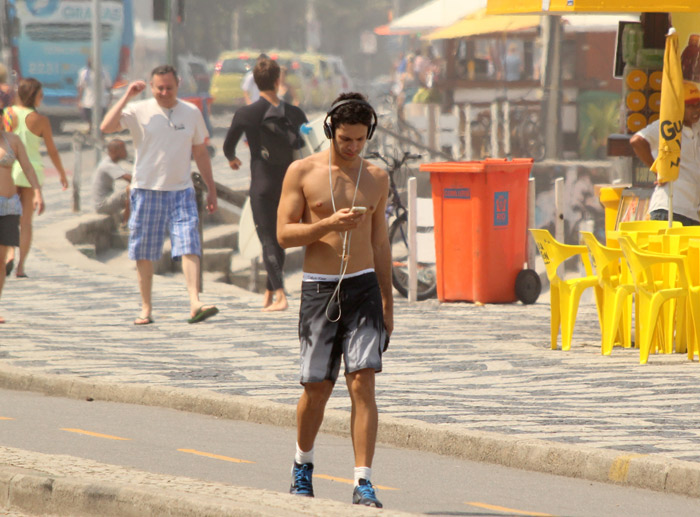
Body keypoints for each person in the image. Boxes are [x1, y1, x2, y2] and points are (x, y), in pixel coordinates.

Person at [277, 93, 393, 507]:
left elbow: (380, 243)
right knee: (316, 387)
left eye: (360, 140)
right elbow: (284, 234)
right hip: (320, 288)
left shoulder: (377, 177)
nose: (353, 147)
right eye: (346, 138)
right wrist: (327, 223)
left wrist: (387, 302)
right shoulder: (302, 171)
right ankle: (303, 465)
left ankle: (363, 481)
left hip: (363, 288)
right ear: (331, 130)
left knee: (363, 382)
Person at [100, 64, 219, 325]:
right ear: (152, 87)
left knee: (189, 244)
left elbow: (200, 152)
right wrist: (128, 95)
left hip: (182, 191)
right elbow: (106, 126)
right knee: (144, 251)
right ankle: (146, 307)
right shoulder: (138, 110)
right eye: (159, 88)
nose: (165, 92)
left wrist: (211, 189)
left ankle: (194, 302)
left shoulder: (191, 113)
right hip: (146, 191)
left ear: (178, 86)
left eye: (170, 88)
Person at [224, 55, 307, 312]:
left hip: (263, 184)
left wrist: (232, 159)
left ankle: (281, 295)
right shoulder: (294, 113)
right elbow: (308, 148)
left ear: (255, 82)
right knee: (279, 239)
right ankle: (269, 294)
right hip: (290, 185)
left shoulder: (246, 113)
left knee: (268, 239)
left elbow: (228, 146)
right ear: (278, 79)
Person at [4, 78, 69, 278]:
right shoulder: (41, 120)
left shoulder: (8, 114)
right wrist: (61, 173)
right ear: (33, 96)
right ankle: (21, 266)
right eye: (40, 95)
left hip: (10, 170)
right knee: (26, 223)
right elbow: (52, 151)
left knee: (7, 217)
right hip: (32, 173)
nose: (42, 99)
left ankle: (9, 254)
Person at [630, 80, 700, 226]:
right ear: (678, 106)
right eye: (689, 106)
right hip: (669, 209)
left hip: (692, 212)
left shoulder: (696, 127)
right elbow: (637, 141)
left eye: (698, 105)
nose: (695, 110)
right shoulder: (667, 126)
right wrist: (657, 170)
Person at [0, 112, 44, 323]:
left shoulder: (12, 140)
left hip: (8, 206)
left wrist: (37, 192)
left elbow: (27, 166)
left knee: (1, 259)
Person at [91, 138, 131, 225]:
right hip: (102, 204)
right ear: (115, 151)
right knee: (132, 190)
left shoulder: (108, 162)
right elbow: (130, 179)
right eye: (123, 149)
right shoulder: (108, 165)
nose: (126, 152)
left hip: (103, 202)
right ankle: (126, 223)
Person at [77, 57, 112, 133]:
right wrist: (79, 100)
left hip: (101, 102)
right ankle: (90, 131)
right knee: (89, 119)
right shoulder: (84, 73)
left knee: (101, 121)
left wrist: (109, 100)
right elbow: (81, 87)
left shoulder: (103, 72)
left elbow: (108, 87)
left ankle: (101, 136)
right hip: (88, 102)